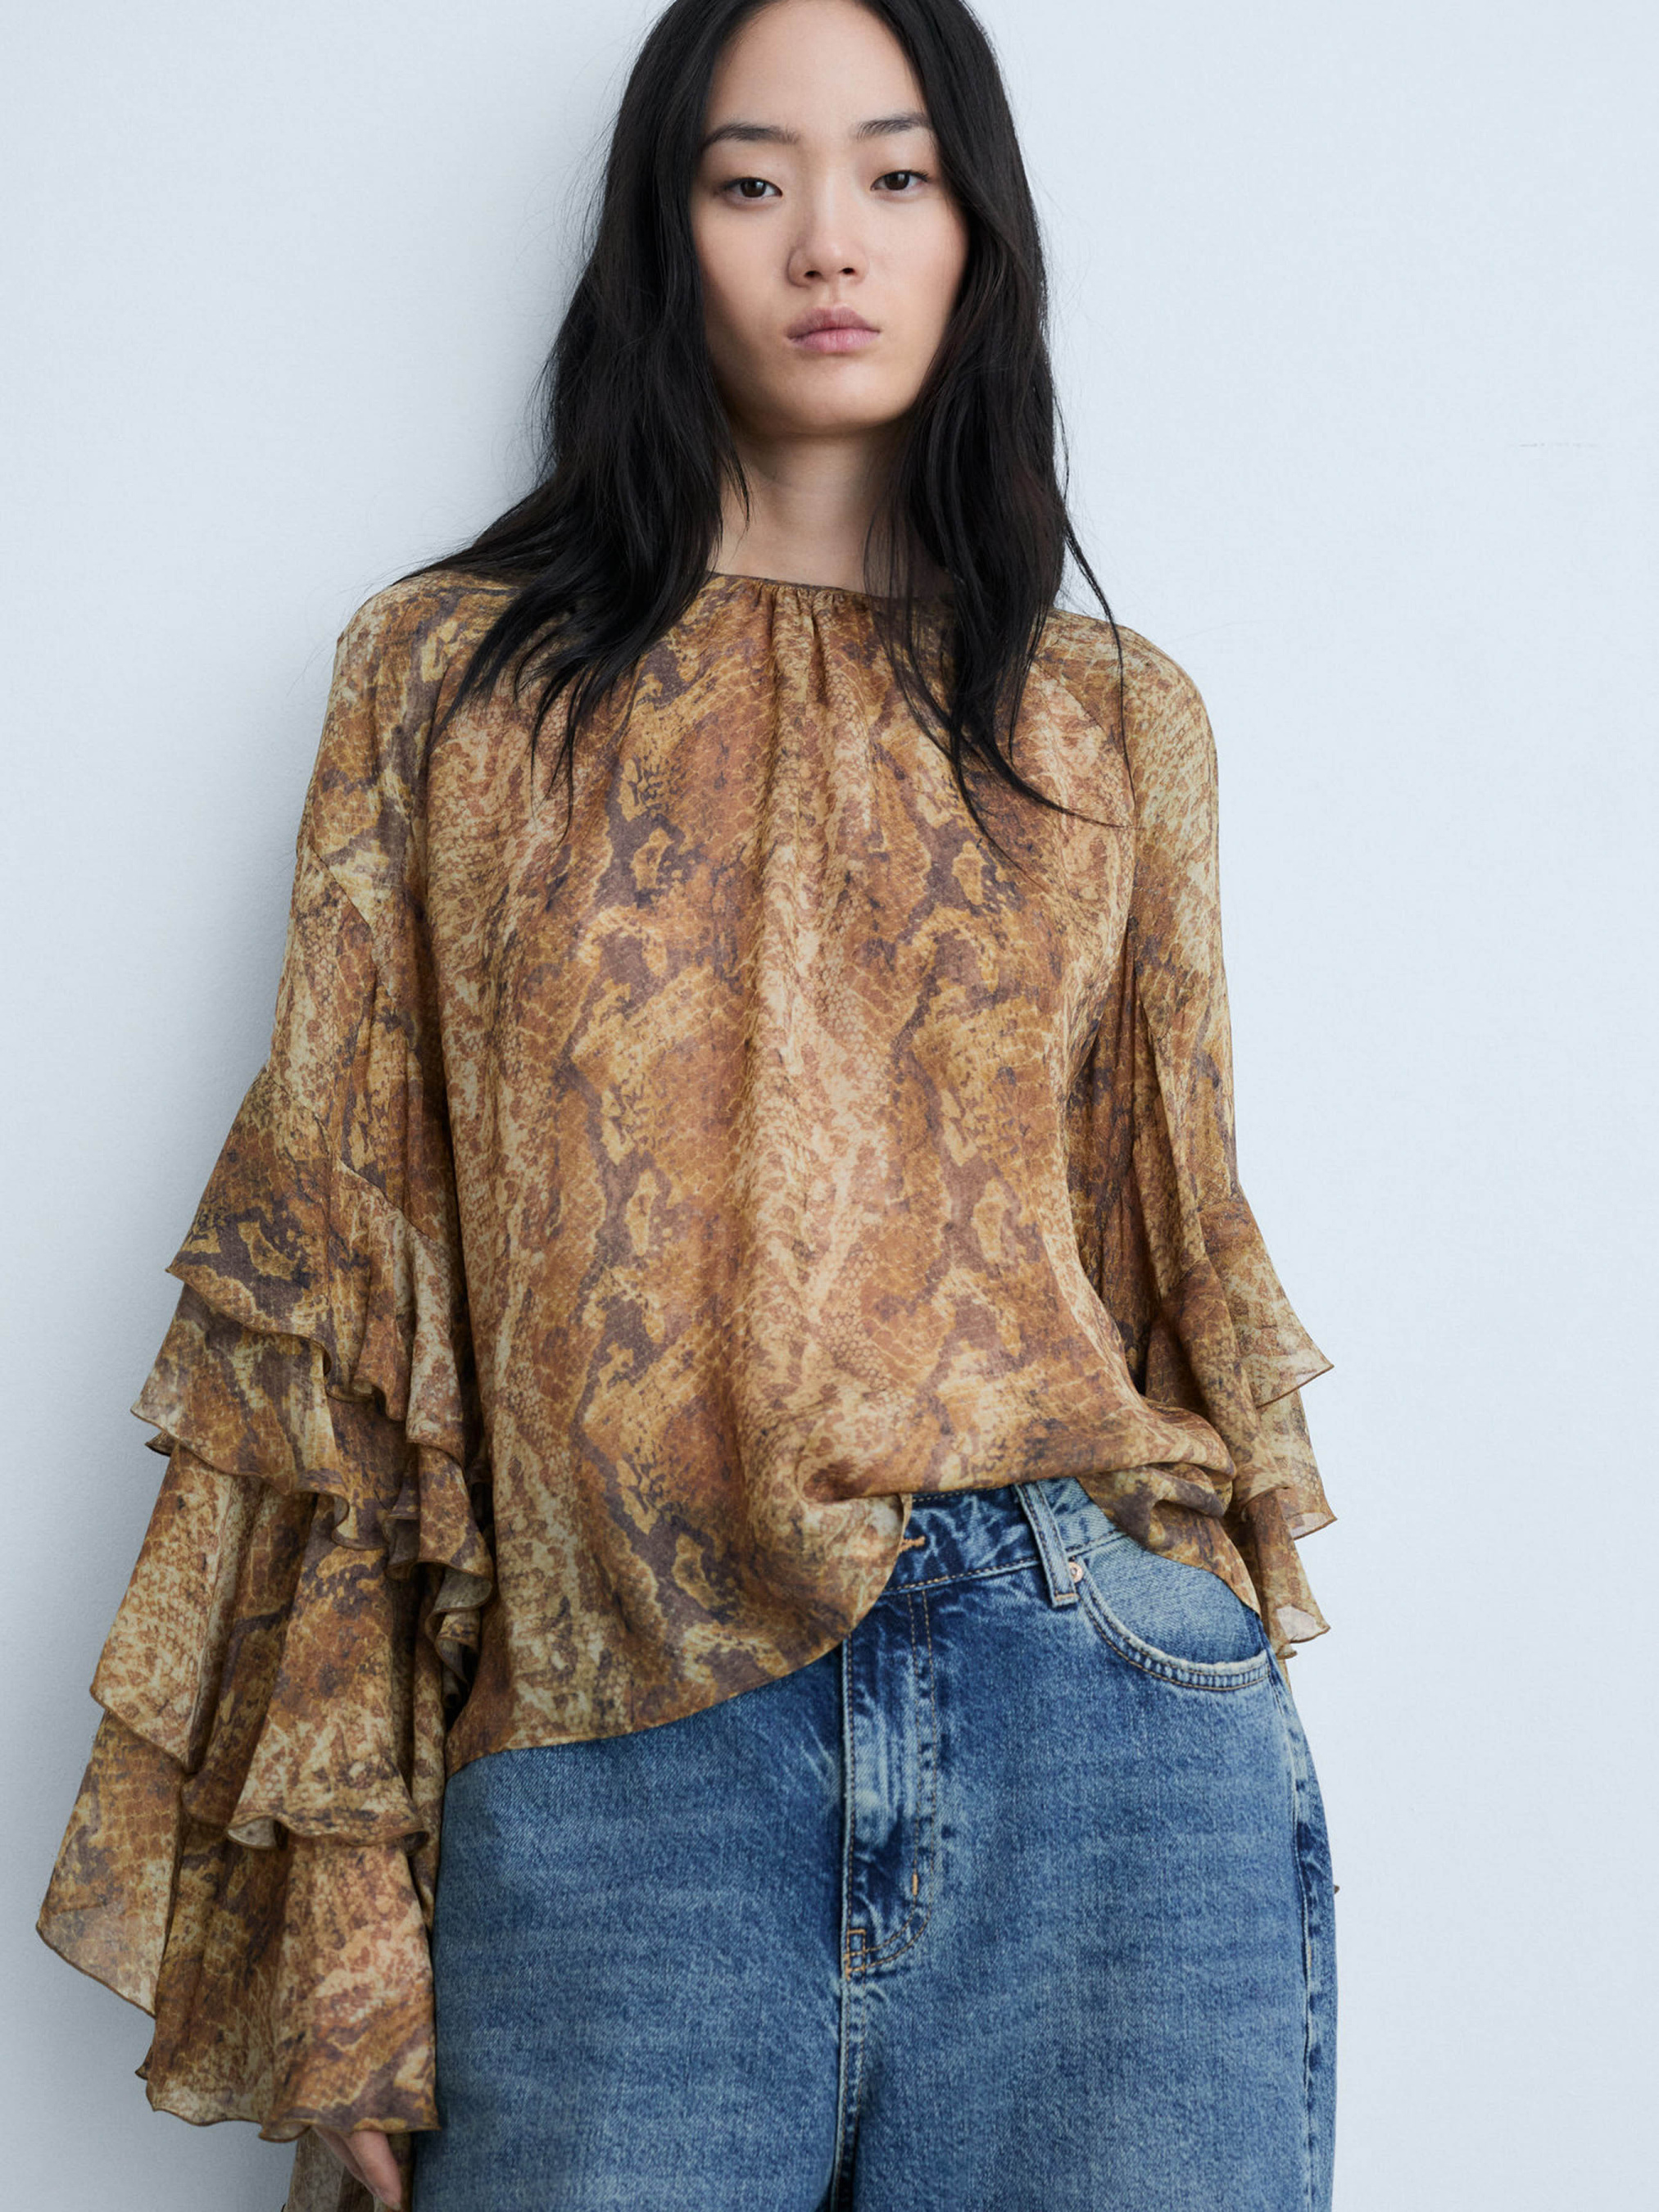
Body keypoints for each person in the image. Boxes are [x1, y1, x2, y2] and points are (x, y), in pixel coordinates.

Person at [37, 1, 1339, 2206]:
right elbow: (345, 1282)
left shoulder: (1111, 723)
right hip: (606, 1747)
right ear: (670, 233)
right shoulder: (450, 683)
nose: (829, 240)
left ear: (977, 233)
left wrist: (1179, 1614)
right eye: (752, 180)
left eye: (897, 176)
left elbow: (1161, 1261)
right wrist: (345, 1929)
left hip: (1097, 1732)